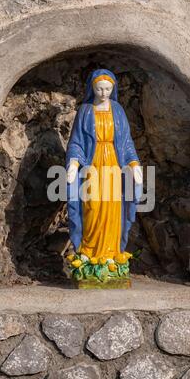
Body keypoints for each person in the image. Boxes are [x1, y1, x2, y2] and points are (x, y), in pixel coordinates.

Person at [66, 68, 143, 264]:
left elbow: (126, 141)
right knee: (91, 205)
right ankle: (88, 250)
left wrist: (134, 164)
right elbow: (76, 141)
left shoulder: (117, 110)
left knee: (112, 207)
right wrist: (74, 163)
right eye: (100, 89)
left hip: (113, 163)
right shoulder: (84, 110)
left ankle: (110, 253)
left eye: (108, 89)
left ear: (113, 89)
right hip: (92, 164)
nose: (103, 93)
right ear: (93, 88)